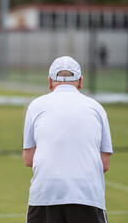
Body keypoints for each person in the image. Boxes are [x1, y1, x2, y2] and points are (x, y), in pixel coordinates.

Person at [23, 56, 113, 223]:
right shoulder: (97, 108)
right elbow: (104, 164)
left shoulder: (35, 106)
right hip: (88, 196)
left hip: (44, 195)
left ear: (50, 81)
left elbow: (28, 159)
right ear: (80, 81)